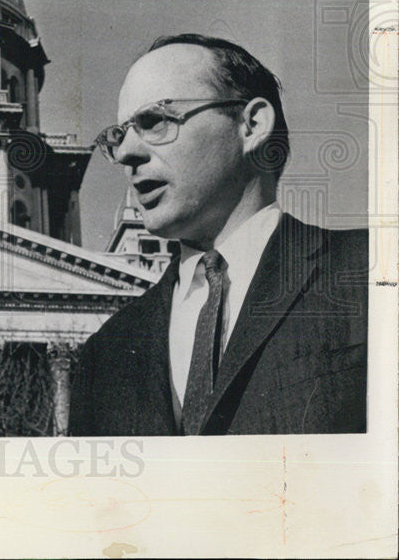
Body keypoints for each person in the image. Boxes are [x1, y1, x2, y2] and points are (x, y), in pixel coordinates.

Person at [69, 34, 367, 436]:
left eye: (154, 120)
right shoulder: (106, 353)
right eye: (118, 136)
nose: (126, 154)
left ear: (252, 125)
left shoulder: (371, 273)